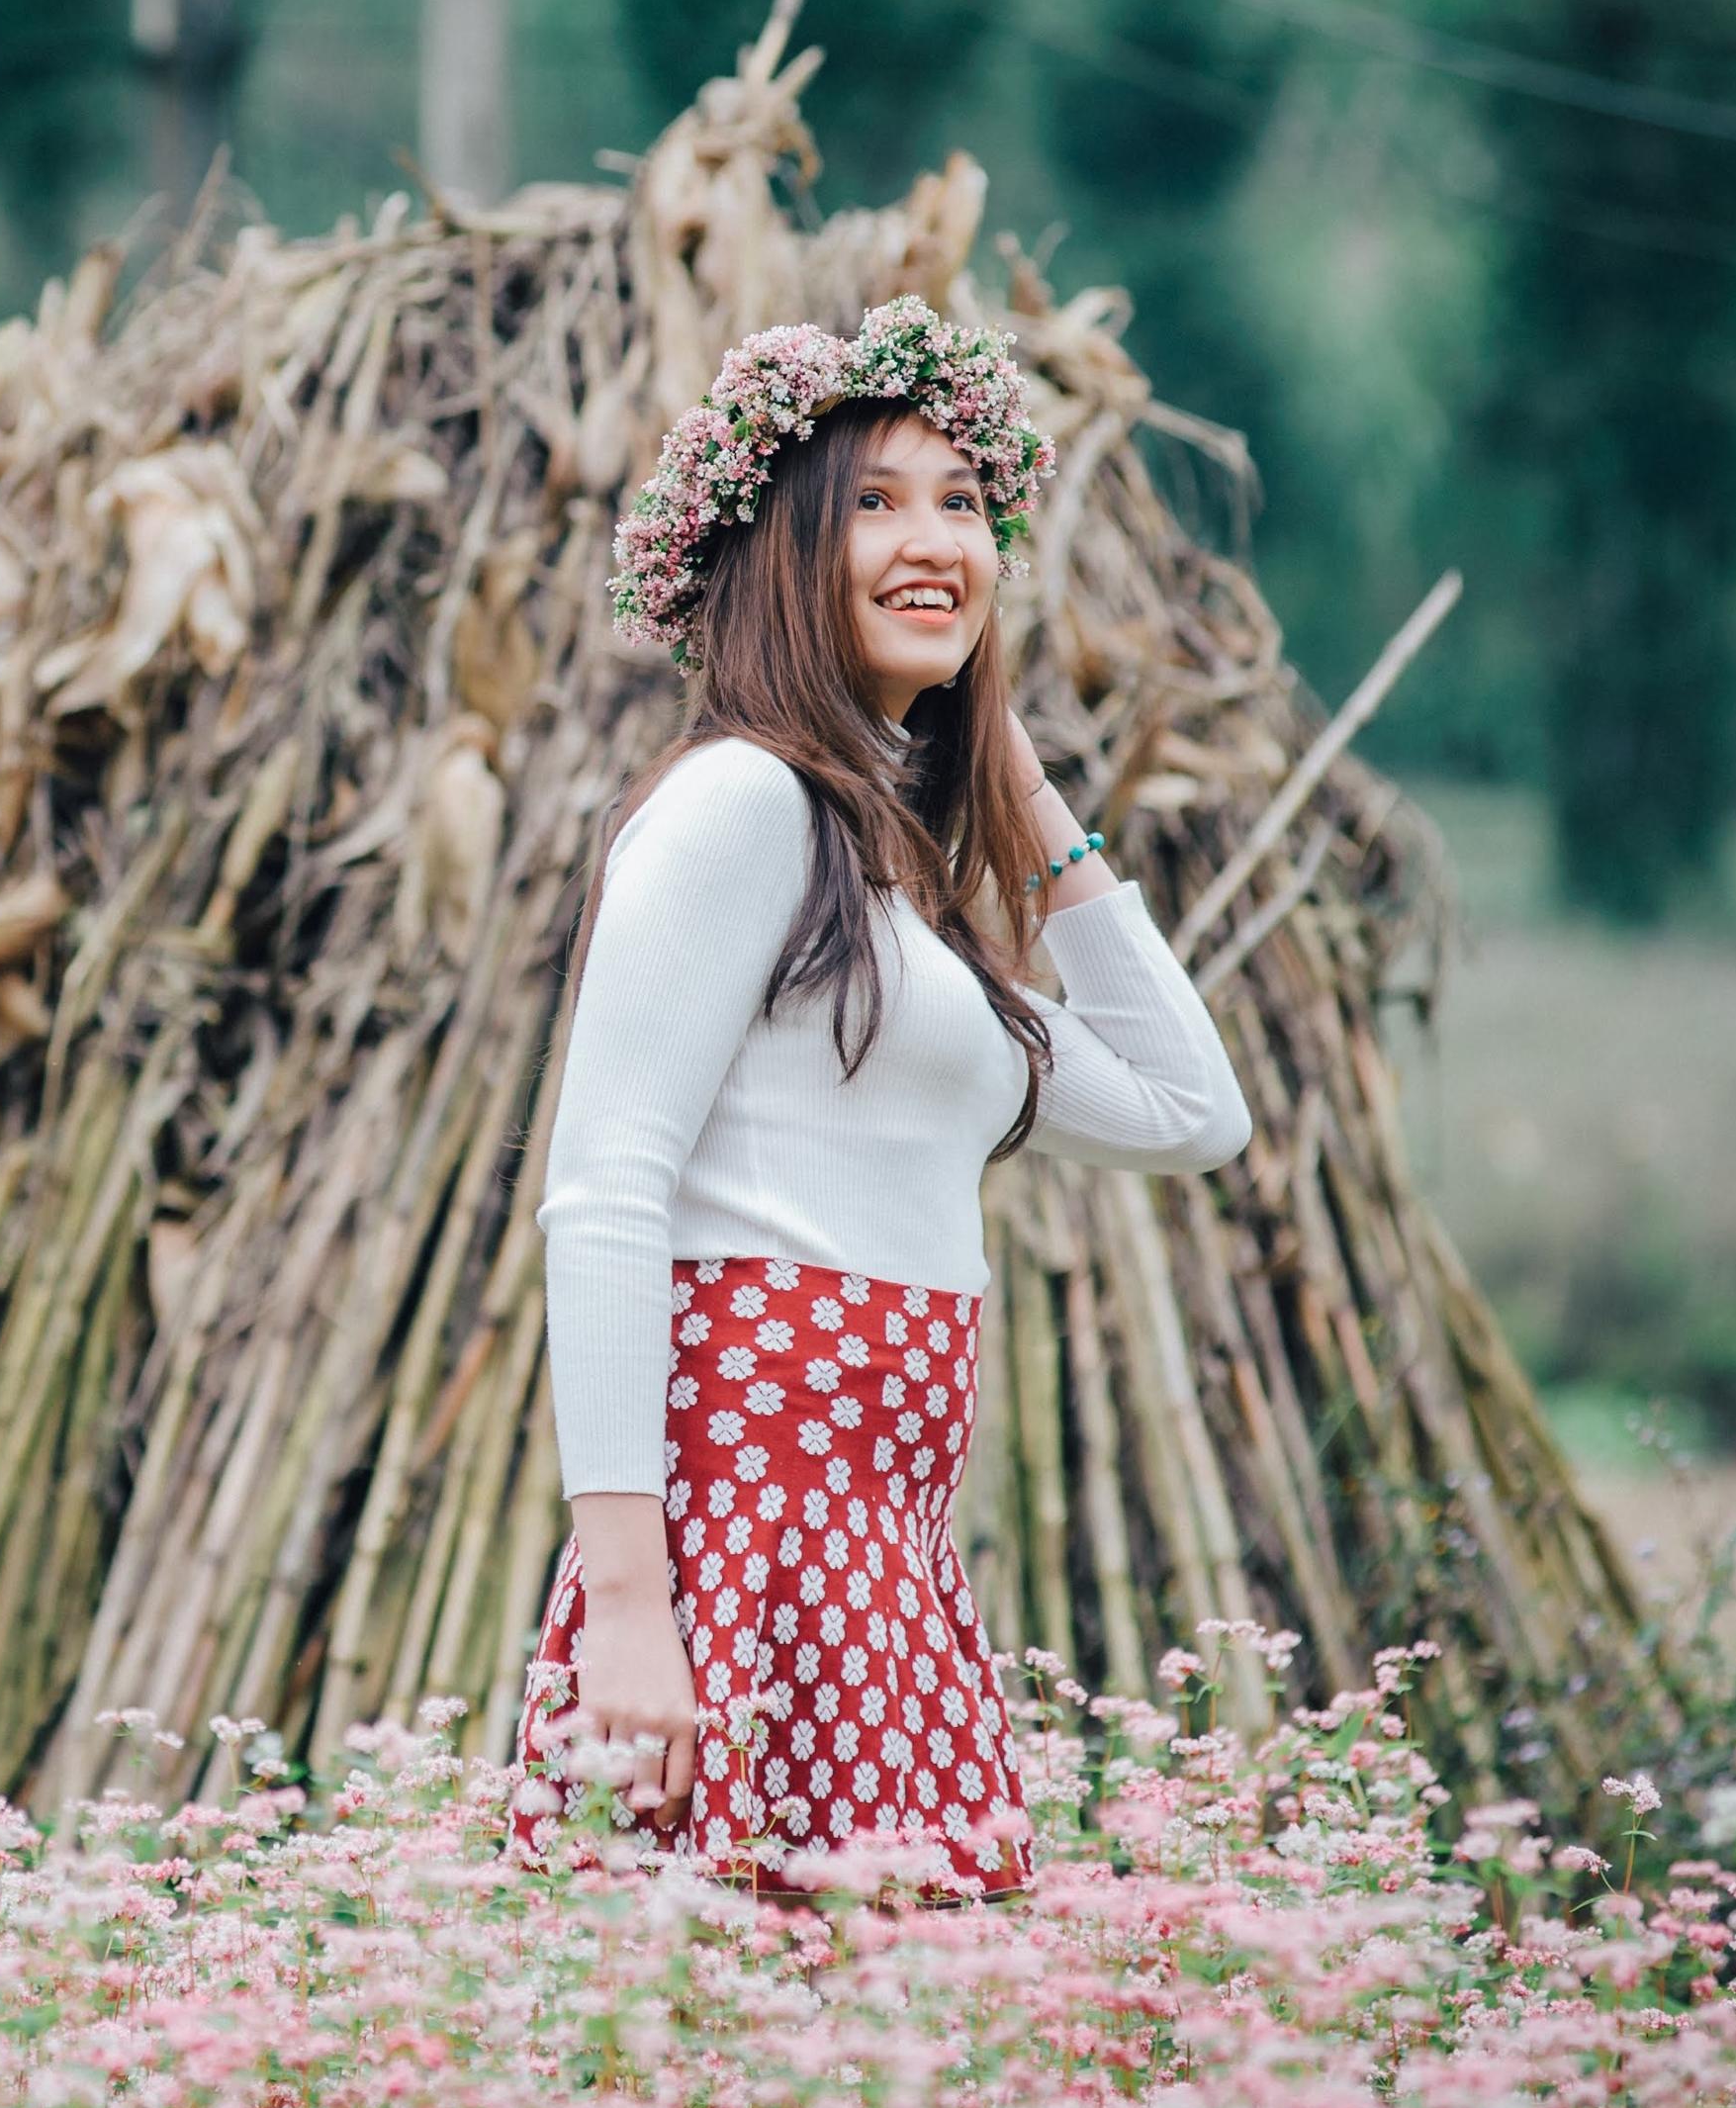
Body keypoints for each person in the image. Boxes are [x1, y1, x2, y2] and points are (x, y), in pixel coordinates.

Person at [505, 297, 1249, 1899]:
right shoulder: (737, 808)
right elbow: (608, 1184)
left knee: (893, 2076)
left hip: (885, 1561)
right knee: (736, 2063)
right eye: (874, 503)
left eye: (964, 507)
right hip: (738, 1551)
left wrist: (1012, 771)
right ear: (778, 551)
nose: (937, 542)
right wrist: (634, 1601)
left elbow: (1196, 1111)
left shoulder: (903, 924)